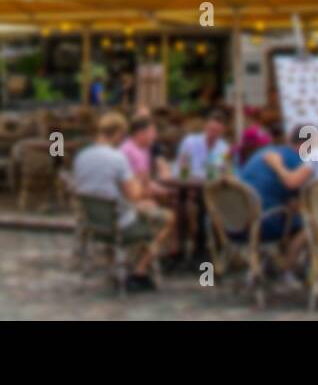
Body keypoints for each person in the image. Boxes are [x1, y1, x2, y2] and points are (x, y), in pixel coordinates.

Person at [73, 113, 174, 289]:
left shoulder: (81, 156)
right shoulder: (117, 159)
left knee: (145, 211)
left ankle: (126, 264)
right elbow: (135, 195)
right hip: (120, 224)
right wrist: (145, 185)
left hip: (94, 223)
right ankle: (139, 269)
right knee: (168, 218)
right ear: (118, 133)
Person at [239, 127, 312, 243]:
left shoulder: (263, 152)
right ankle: (290, 260)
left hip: (232, 224)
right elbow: (307, 195)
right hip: (261, 226)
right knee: (308, 225)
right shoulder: (297, 160)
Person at [173, 110, 230, 180]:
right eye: (211, 129)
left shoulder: (224, 148)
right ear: (205, 127)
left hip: (210, 185)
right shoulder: (189, 142)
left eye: (217, 131)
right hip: (187, 183)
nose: (213, 134)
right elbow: (182, 171)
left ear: (222, 131)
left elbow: (219, 172)